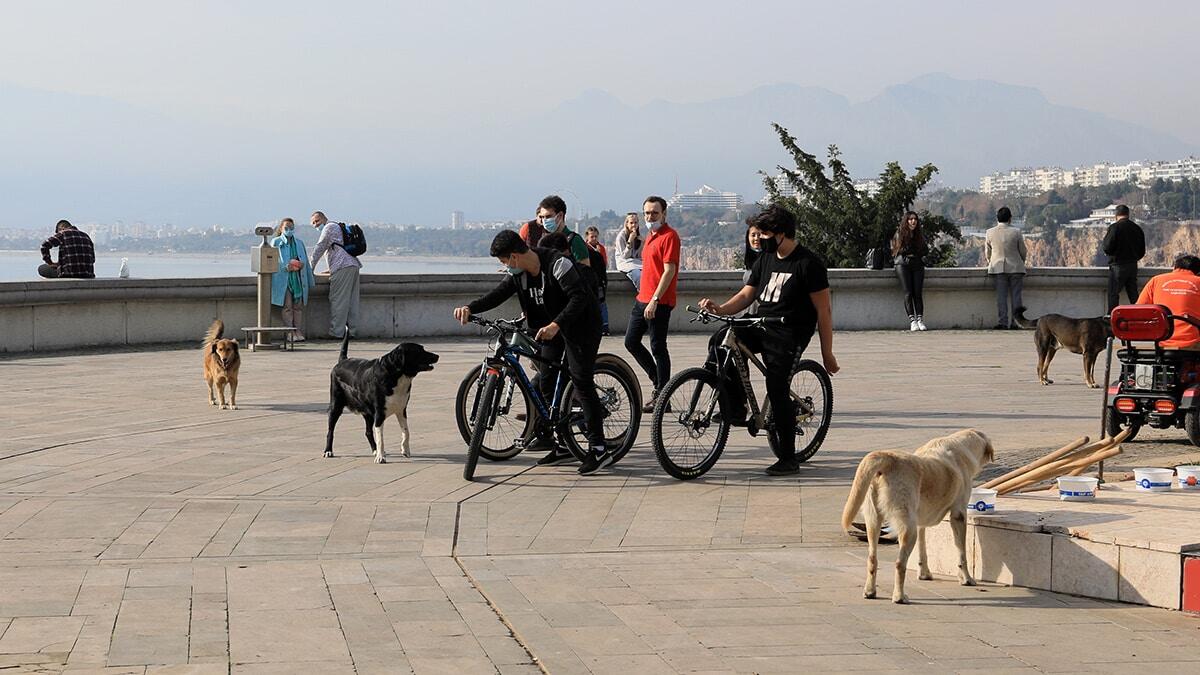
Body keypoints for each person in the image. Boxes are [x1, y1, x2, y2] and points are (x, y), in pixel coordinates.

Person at [453, 230, 612, 474]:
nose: (505, 267)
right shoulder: (519, 275)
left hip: (582, 325)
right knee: (546, 380)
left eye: (505, 262)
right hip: (550, 328)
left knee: (580, 380)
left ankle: (599, 449)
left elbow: (579, 298)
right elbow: (498, 294)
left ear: (514, 257)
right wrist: (469, 308)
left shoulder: (557, 264)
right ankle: (563, 444)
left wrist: (556, 325)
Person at [698, 204, 840, 476]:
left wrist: (827, 353)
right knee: (721, 340)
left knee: (776, 387)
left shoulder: (808, 264)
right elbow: (747, 294)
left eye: (764, 234)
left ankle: (788, 458)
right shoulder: (765, 259)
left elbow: (824, 310)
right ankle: (736, 406)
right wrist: (720, 308)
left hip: (789, 332)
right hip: (760, 323)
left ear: (781, 233)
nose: (759, 239)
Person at [625, 196, 680, 412]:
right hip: (642, 299)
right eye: (647, 213)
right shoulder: (649, 236)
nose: (650, 217)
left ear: (664, 214)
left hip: (659, 301)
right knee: (631, 341)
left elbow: (669, 271)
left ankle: (663, 396)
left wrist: (655, 300)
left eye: (654, 213)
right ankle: (659, 384)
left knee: (658, 347)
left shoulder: (670, 236)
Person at [309, 211, 362, 339]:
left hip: (342, 267)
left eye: (317, 221)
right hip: (352, 265)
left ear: (324, 218)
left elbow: (320, 248)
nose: (316, 225)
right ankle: (352, 332)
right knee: (352, 302)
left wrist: (310, 267)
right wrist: (330, 268)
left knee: (338, 300)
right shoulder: (337, 226)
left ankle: (336, 333)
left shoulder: (329, 227)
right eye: (313, 224)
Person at [1135, 254, 1200, 349]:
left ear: (1175, 268)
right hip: (1192, 344)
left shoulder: (1156, 280)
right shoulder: (1198, 282)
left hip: (1162, 342)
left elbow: (1139, 310)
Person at [270, 218, 317, 341]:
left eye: (291, 228)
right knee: (287, 306)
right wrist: (285, 267)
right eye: (286, 228)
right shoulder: (276, 242)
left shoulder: (299, 243)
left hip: (298, 279)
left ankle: (298, 330)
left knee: (298, 306)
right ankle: (289, 331)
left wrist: (302, 266)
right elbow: (271, 262)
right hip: (284, 280)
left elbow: (305, 261)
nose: (289, 230)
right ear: (281, 228)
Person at [985, 206, 1027, 329]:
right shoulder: (1016, 232)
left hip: (998, 268)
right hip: (1016, 267)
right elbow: (1023, 251)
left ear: (997, 218)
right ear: (1010, 219)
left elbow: (988, 252)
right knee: (1016, 296)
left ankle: (1003, 322)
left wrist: (990, 262)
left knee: (1001, 297)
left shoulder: (989, 232)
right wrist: (1020, 262)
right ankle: (1017, 322)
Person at [1103, 204, 1146, 311]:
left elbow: (1107, 247)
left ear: (1116, 215)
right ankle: (1138, 316)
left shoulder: (1114, 228)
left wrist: (1111, 254)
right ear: (1128, 214)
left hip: (1117, 266)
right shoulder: (1137, 228)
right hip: (1132, 266)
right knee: (1133, 294)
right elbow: (1142, 250)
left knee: (1113, 294)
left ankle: (1112, 318)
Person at [892, 211, 929, 331]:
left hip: (917, 264)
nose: (913, 221)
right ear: (906, 221)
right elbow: (900, 250)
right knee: (908, 292)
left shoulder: (919, 235)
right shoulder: (900, 234)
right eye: (910, 219)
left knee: (917, 292)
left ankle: (920, 319)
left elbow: (924, 250)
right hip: (903, 264)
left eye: (915, 219)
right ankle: (912, 320)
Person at [535, 195, 590, 265]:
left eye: (548, 216)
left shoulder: (575, 241)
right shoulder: (544, 241)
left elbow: (585, 270)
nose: (544, 220)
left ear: (560, 215)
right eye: (542, 217)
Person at [584, 226, 610, 335]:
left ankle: (604, 327)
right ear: (587, 237)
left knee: (602, 303)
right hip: (589, 280)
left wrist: (599, 253)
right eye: (592, 237)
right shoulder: (585, 248)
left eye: (596, 236)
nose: (594, 239)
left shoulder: (601, 248)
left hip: (599, 281)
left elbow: (604, 264)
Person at [613, 212, 644, 290]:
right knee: (638, 276)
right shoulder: (621, 237)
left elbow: (639, 256)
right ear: (627, 224)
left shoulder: (638, 236)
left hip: (637, 262)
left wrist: (643, 244)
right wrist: (630, 241)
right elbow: (625, 256)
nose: (634, 225)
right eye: (631, 223)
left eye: (636, 222)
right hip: (626, 263)